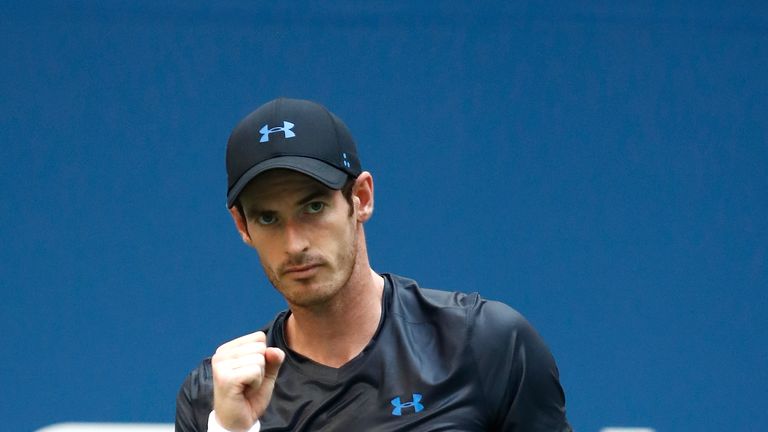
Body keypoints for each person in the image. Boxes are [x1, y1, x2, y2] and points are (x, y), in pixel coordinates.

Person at [175, 98, 572, 432]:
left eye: (314, 207)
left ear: (361, 198)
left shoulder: (486, 344)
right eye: (268, 218)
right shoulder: (214, 397)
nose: (294, 244)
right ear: (242, 225)